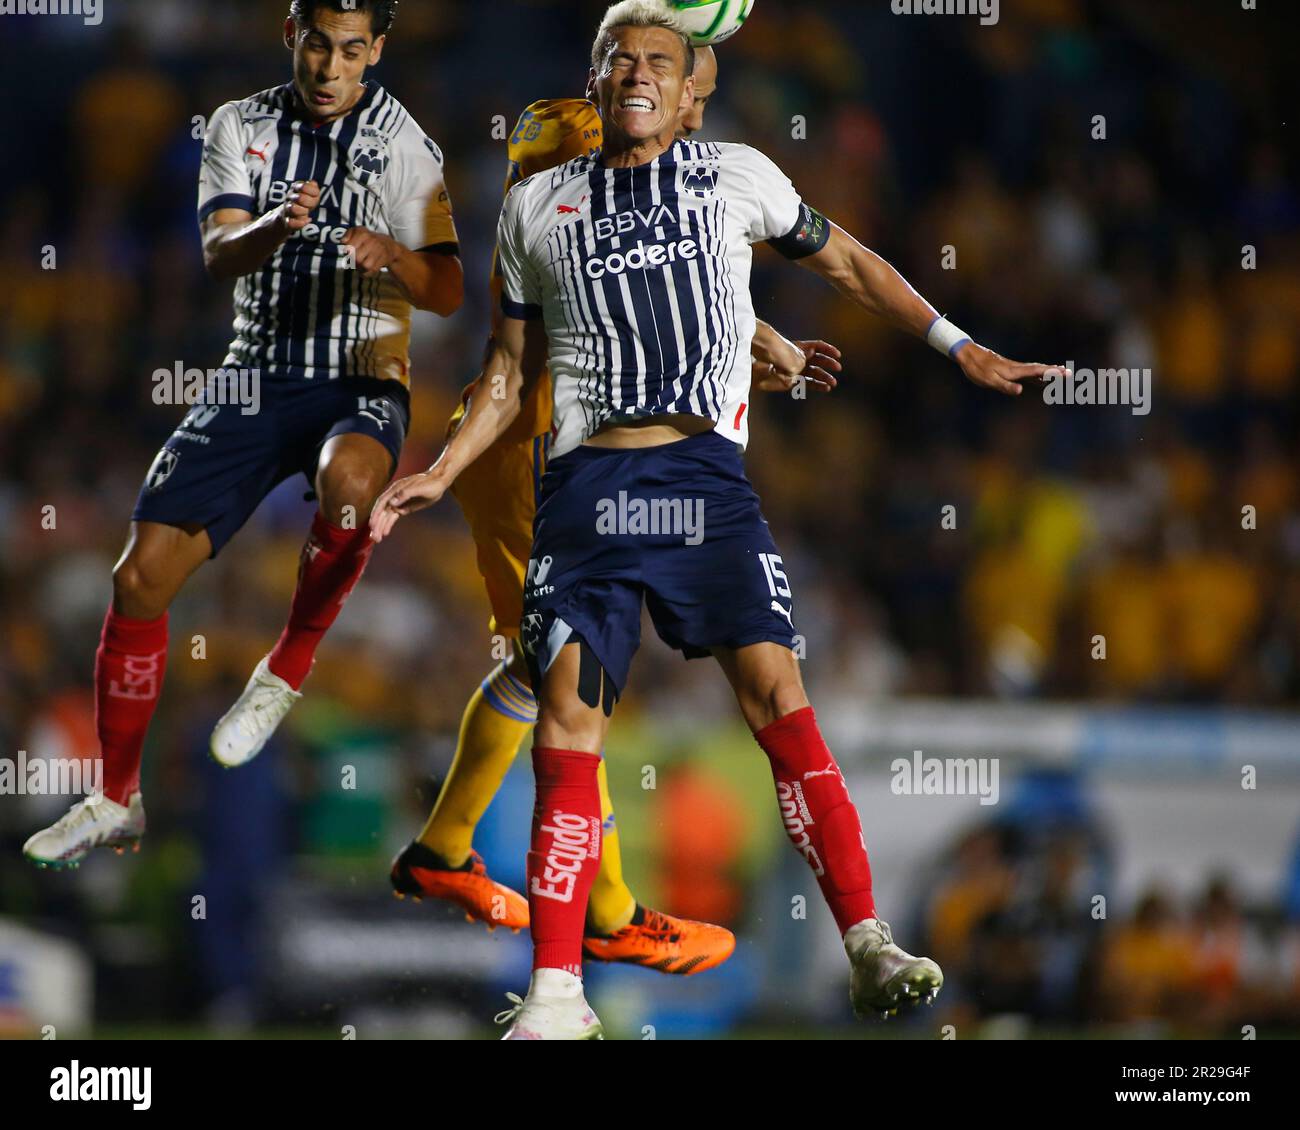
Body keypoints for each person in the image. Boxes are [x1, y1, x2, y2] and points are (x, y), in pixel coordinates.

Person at [371, 1, 1064, 1039]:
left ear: (696, 91)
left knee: (779, 698)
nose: (634, 73)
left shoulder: (739, 177)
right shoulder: (537, 206)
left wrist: (955, 345)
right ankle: (556, 993)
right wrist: (439, 467)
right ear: (594, 82)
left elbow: (851, 263)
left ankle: (868, 943)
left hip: (706, 484)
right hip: (587, 491)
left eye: (658, 60)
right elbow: (510, 371)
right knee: (568, 727)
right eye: (616, 59)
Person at [388, 43, 840, 978]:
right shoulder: (573, 216)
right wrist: (758, 335)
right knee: (569, 688)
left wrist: (756, 334)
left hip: (518, 437)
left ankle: (444, 849)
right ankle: (609, 912)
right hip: (540, 446)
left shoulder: (545, 209)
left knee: (533, 667)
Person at [24, 0, 463, 867]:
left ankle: (286, 669)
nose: (329, 67)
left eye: (349, 50)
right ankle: (115, 798)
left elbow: (447, 289)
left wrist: (395, 256)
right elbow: (219, 252)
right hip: (257, 374)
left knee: (349, 487)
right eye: (315, 45)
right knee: (141, 577)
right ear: (290, 37)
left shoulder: (410, 147)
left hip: (362, 375)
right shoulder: (240, 124)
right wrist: (278, 224)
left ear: (375, 51)